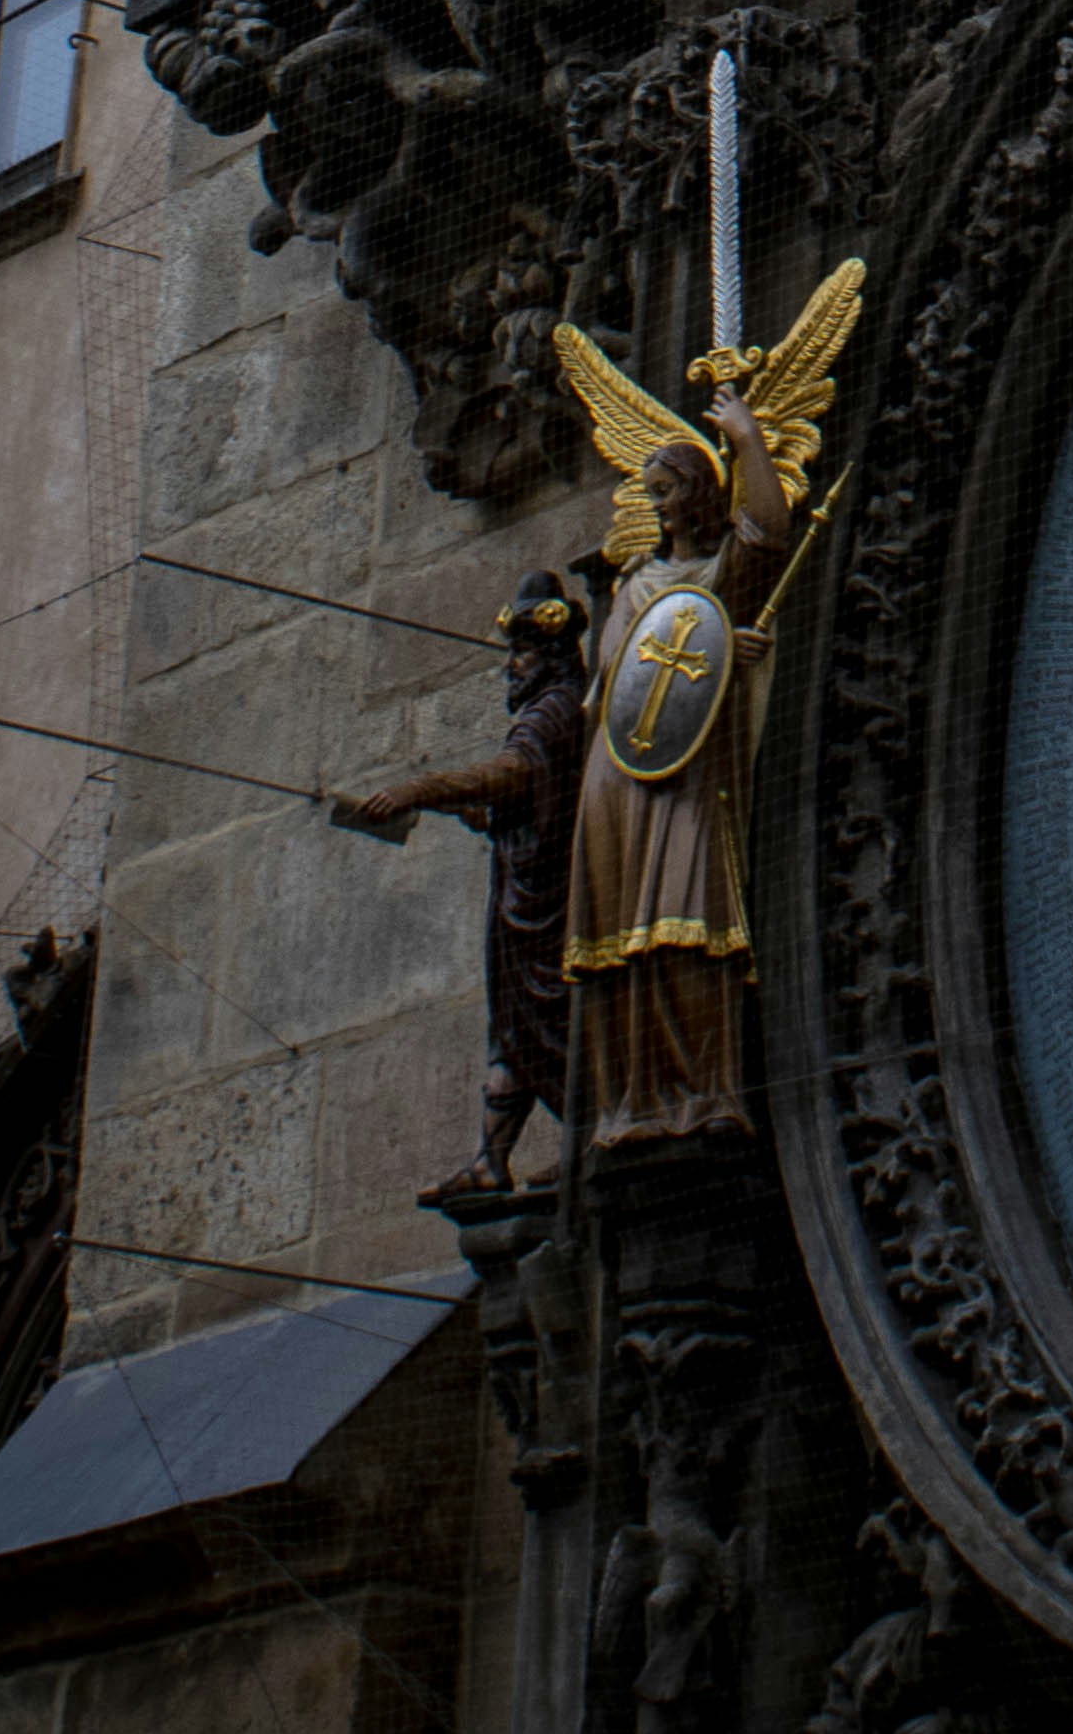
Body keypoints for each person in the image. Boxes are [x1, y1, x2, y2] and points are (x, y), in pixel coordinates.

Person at [565, 390, 793, 1150]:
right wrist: (722, 646)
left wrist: (747, 439)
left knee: (689, 917)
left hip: (692, 772)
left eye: (665, 490)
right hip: (618, 775)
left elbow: (768, 533)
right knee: (623, 938)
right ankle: (631, 1098)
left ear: (697, 491)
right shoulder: (634, 583)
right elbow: (615, 689)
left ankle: (705, 1087)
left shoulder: (723, 571)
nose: (657, 506)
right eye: (651, 493)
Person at [328, 573, 592, 1189]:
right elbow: (521, 799)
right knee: (514, 1028)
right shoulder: (548, 710)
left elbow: (510, 776)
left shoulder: (555, 711)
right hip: (522, 901)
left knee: (552, 1022)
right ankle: (489, 1161)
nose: (510, 666)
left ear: (551, 654)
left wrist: (419, 789)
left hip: (551, 908)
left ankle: (586, 1136)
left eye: (521, 652)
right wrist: (476, 812)